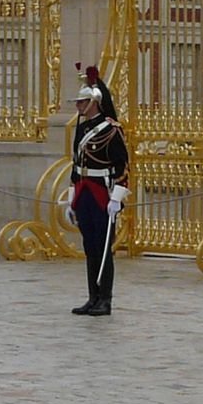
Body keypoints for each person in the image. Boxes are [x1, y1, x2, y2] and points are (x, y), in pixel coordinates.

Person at [67, 64, 129, 317]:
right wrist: (71, 196)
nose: (78, 106)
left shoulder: (112, 130)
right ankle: (92, 296)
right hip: (84, 191)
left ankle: (105, 298)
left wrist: (117, 198)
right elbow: (76, 163)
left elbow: (122, 167)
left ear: (94, 103)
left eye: (82, 102)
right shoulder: (81, 129)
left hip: (102, 193)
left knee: (103, 248)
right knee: (90, 246)